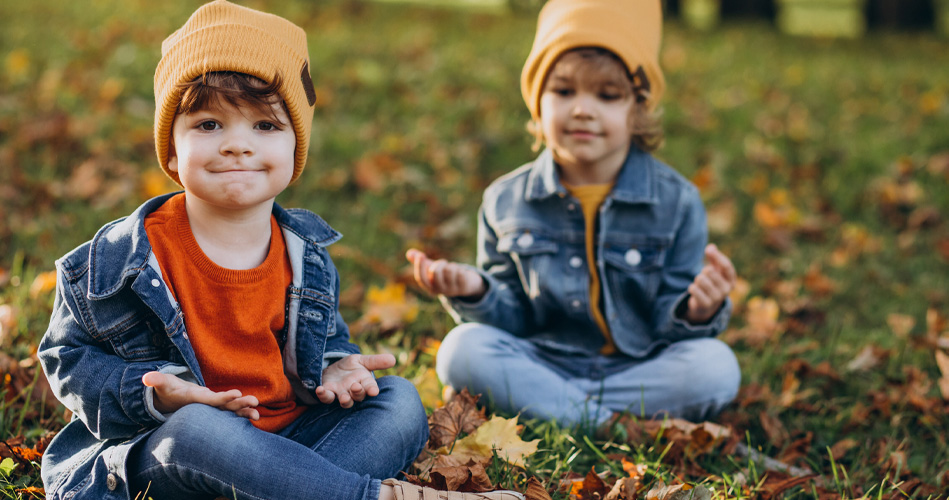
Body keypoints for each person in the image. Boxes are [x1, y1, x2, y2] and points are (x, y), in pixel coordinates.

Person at [38, 2, 524, 499]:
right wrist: (159, 397)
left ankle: (284, 488)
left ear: (296, 149)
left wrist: (335, 370)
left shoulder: (304, 252)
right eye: (208, 125)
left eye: (265, 126)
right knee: (198, 430)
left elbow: (319, 351)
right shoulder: (117, 259)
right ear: (170, 148)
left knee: (398, 401)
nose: (237, 145)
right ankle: (368, 496)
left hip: (290, 438)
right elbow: (66, 357)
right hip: (171, 450)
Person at [406, 0, 740, 432]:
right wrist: (475, 290)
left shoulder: (676, 202)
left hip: (634, 372)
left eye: (607, 95)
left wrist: (696, 310)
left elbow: (666, 326)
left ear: (637, 109)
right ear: (538, 101)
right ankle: (613, 427)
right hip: (542, 361)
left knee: (716, 366)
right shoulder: (506, 200)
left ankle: (560, 410)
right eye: (564, 91)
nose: (582, 109)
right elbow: (514, 320)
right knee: (462, 350)